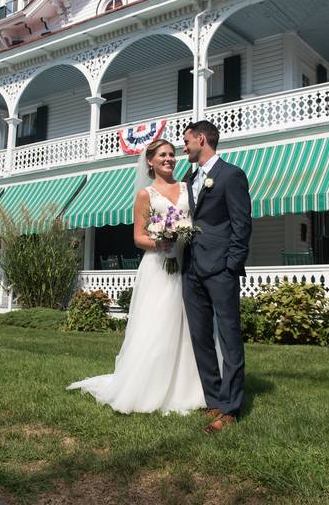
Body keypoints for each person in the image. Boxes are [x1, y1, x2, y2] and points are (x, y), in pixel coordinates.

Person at [67, 138, 207, 414]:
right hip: (158, 266)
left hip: (186, 263)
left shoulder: (186, 188)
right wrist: (160, 242)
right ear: (150, 162)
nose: (169, 159)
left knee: (190, 323)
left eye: (172, 155)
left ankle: (190, 386)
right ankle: (149, 386)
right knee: (158, 323)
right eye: (163, 155)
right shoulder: (146, 194)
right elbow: (138, 237)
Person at [181, 120, 252, 434]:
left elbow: (242, 224)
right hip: (191, 268)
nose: (184, 148)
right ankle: (213, 397)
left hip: (220, 269)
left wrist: (231, 266)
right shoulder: (188, 177)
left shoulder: (231, 175)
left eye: (187, 142)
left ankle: (230, 408)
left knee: (229, 337)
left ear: (201, 139)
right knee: (200, 337)